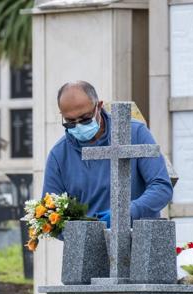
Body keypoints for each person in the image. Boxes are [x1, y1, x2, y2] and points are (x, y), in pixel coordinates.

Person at [42, 81, 173, 228]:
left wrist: (128, 212)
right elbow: (50, 213)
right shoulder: (59, 155)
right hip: (88, 245)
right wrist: (83, 233)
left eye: (85, 119)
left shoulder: (135, 133)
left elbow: (162, 187)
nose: (78, 126)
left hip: (139, 238)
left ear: (99, 106)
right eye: (70, 122)